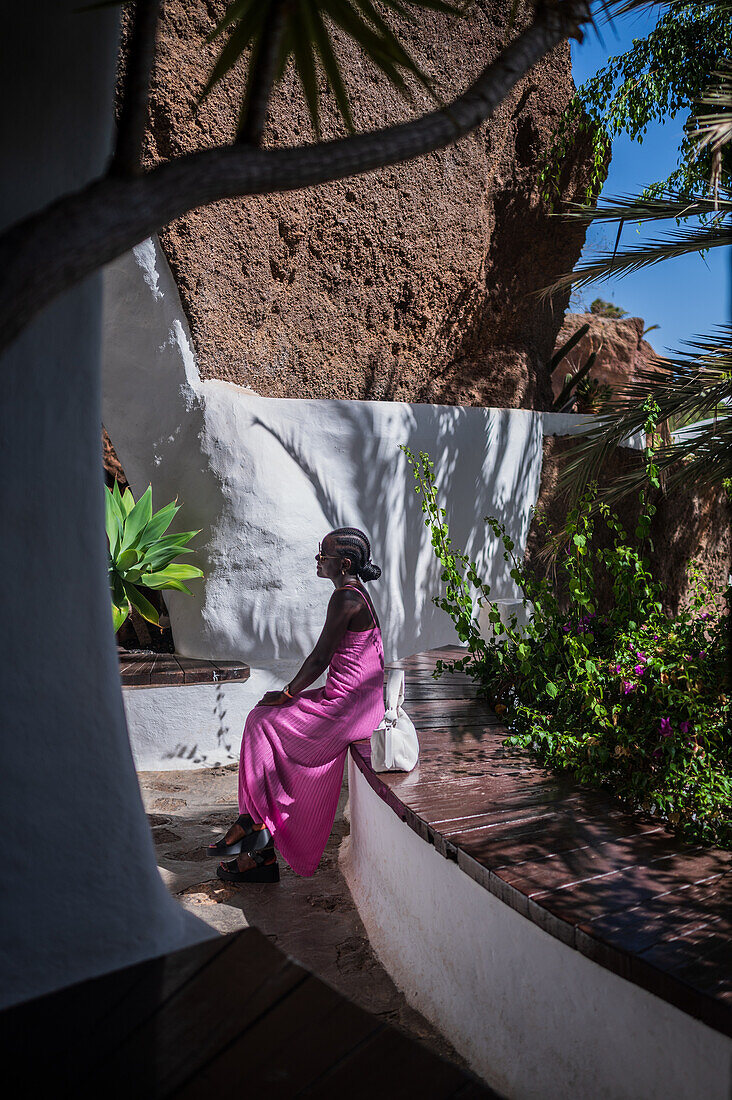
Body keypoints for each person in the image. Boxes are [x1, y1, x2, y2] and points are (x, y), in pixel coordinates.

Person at [207, 527, 385, 882]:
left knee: (262, 720)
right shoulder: (354, 594)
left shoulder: (346, 598)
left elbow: (320, 658)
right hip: (354, 701)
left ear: (344, 563)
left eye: (324, 555)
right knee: (262, 719)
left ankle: (256, 833)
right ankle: (256, 832)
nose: (318, 560)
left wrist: (287, 694)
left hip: (348, 708)